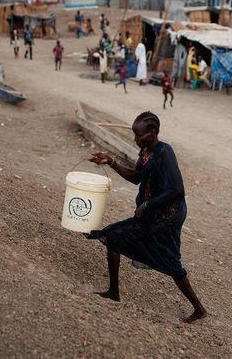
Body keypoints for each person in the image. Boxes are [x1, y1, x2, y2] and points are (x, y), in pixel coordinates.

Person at [88, 112, 207, 323]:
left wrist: (148, 204)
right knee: (111, 237)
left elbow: (177, 190)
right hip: (150, 213)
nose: (136, 139)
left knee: (171, 263)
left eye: (139, 135)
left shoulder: (164, 152)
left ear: (153, 132)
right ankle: (113, 292)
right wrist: (111, 162)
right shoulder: (145, 152)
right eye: (135, 135)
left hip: (168, 216)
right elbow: (136, 178)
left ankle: (199, 309)